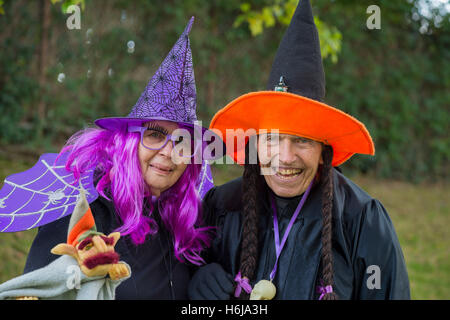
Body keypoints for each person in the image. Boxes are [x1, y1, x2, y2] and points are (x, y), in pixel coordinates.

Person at [188, 0, 410, 300]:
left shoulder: (362, 221)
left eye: (302, 140)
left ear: (323, 148)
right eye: (272, 139)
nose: (286, 156)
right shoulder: (222, 208)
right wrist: (196, 276)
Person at [3, 17, 219, 299]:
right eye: (154, 134)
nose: (168, 152)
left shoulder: (183, 222)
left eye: (181, 141)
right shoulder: (81, 212)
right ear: (129, 142)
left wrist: (204, 276)